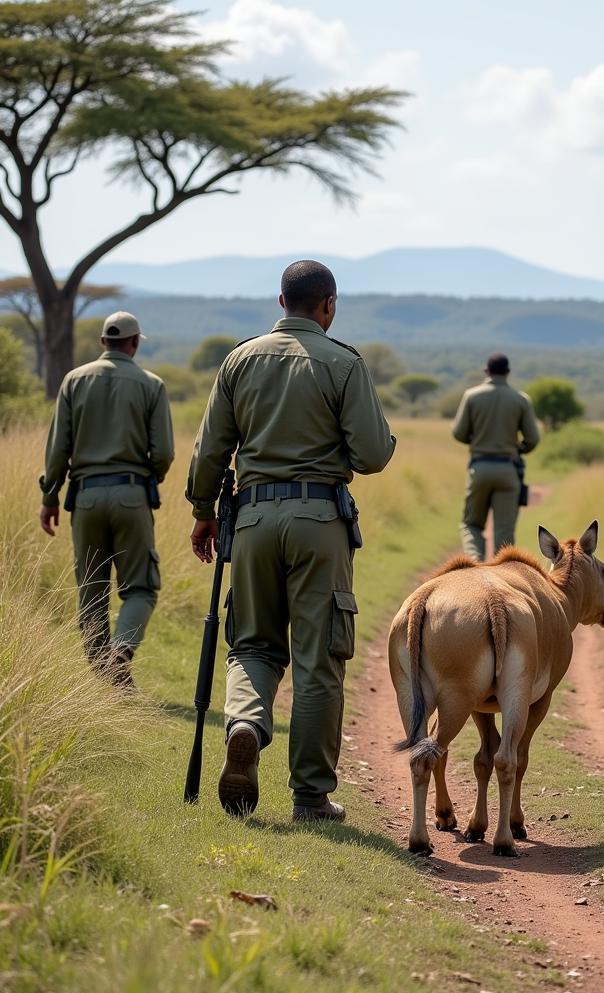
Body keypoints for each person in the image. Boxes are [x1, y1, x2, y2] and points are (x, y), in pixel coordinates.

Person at [187, 260, 396, 822]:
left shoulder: (239, 359)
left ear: (281, 302)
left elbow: (210, 450)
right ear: (329, 305)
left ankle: (246, 726)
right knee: (319, 658)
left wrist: (204, 511)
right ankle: (309, 795)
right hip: (319, 523)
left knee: (252, 645)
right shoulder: (343, 363)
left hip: (251, 523)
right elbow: (373, 455)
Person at [39, 311, 174, 688]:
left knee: (91, 590)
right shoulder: (152, 385)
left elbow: (57, 450)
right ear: (134, 344)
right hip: (132, 495)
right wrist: (148, 480)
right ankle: (121, 654)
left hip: (84, 498)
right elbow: (163, 452)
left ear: (103, 343)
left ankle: (103, 680)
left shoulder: (73, 380)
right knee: (141, 588)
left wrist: (50, 496)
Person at [452, 352, 540, 561]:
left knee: (471, 524)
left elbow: (458, 433)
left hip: (480, 468)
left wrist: (477, 442)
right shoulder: (520, 399)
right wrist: (518, 449)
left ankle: (475, 565)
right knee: (504, 532)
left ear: (486, 371)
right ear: (508, 373)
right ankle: (501, 576)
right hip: (509, 471)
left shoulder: (472, 396)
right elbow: (533, 438)